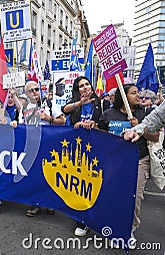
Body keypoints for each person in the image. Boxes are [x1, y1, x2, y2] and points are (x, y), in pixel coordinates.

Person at [99, 84, 159, 248]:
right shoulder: (108, 114)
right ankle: (114, 225)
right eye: (133, 93)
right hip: (115, 162)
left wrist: (139, 127)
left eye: (138, 92)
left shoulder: (144, 114)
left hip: (139, 160)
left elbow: (154, 137)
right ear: (123, 96)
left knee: (135, 197)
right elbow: (100, 134)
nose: (138, 95)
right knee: (114, 195)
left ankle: (128, 230)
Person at [61, 76, 110, 236]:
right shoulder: (75, 104)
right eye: (81, 86)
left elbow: (105, 125)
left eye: (87, 84)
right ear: (77, 90)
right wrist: (80, 105)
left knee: (97, 185)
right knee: (80, 186)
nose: (85, 87)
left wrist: (94, 125)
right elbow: (64, 110)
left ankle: (97, 216)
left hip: (97, 150)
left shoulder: (102, 103)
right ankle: (81, 220)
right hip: (77, 151)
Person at [20, 81, 64, 217]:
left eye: (36, 89)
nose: (34, 93)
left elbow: (62, 121)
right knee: (34, 175)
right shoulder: (24, 107)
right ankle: (35, 203)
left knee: (49, 174)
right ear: (26, 94)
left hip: (47, 144)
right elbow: (22, 126)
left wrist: (48, 118)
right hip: (31, 146)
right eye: (31, 91)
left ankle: (50, 203)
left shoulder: (49, 103)